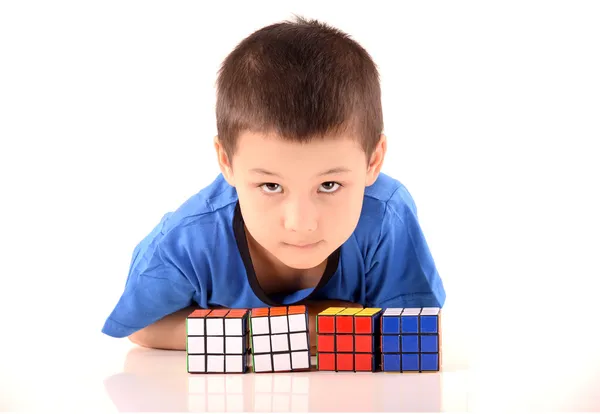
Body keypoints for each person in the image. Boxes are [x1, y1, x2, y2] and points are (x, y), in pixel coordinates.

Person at [101, 16, 446, 352]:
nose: (301, 223)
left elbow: (417, 332)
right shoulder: (187, 242)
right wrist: (292, 326)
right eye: (271, 186)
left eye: (329, 185)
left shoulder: (387, 217)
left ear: (373, 161)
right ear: (226, 162)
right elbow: (144, 329)